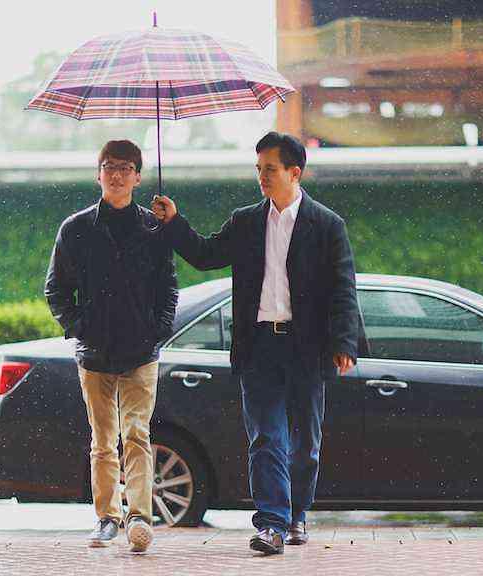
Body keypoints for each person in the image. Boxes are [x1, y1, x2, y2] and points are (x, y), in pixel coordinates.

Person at [151, 131, 358, 555]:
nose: (262, 176)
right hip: (259, 345)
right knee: (266, 438)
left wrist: (344, 342)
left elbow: (343, 288)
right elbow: (205, 254)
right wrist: (174, 223)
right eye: (258, 168)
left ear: (295, 173)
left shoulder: (327, 225)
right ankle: (272, 525)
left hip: (307, 348)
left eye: (270, 169)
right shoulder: (245, 221)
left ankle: (297, 515)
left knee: (305, 445)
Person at [45, 140, 177, 553]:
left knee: (137, 435)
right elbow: (56, 289)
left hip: (141, 352)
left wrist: (158, 331)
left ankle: (139, 517)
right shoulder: (76, 229)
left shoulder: (154, 228)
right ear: (98, 174)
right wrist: (80, 328)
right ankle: (106, 517)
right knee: (102, 441)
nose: (117, 175)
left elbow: (168, 287)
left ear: (138, 177)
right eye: (109, 167)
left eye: (125, 168)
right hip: (95, 353)